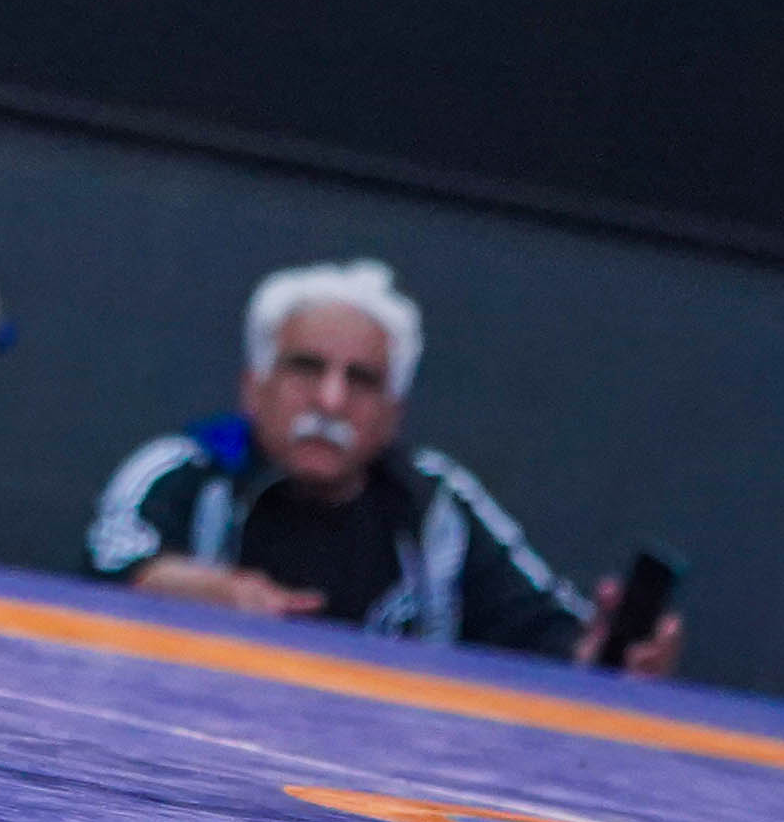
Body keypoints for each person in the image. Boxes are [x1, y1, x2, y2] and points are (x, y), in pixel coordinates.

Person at [90, 261, 681, 676]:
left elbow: (548, 634)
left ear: (393, 413)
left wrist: (612, 653)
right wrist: (215, 595)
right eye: (306, 369)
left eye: (362, 380)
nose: (330, 401)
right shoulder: (185, 471)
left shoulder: (437, 506)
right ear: (254, 387)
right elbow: (107, 569)